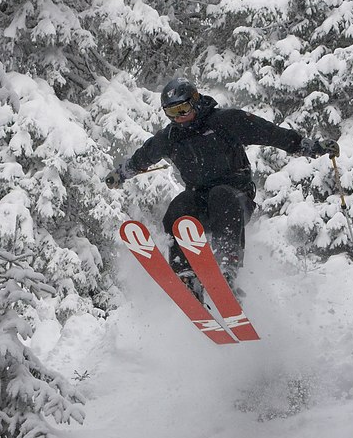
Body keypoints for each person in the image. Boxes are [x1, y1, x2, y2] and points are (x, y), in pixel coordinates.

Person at [105, 77, 339, 295]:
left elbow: (272, 134)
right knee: (179, 206)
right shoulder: (170, 137)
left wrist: (313, 147)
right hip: (199, 200)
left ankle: (227, 265)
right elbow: (143, 157)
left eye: (182, 109)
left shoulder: (225, 121)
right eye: (172, 112)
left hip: (236, 199)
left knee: (221, 195)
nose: (179, 117)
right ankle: (184, 271)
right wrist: (120, 174)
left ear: (195, 102)